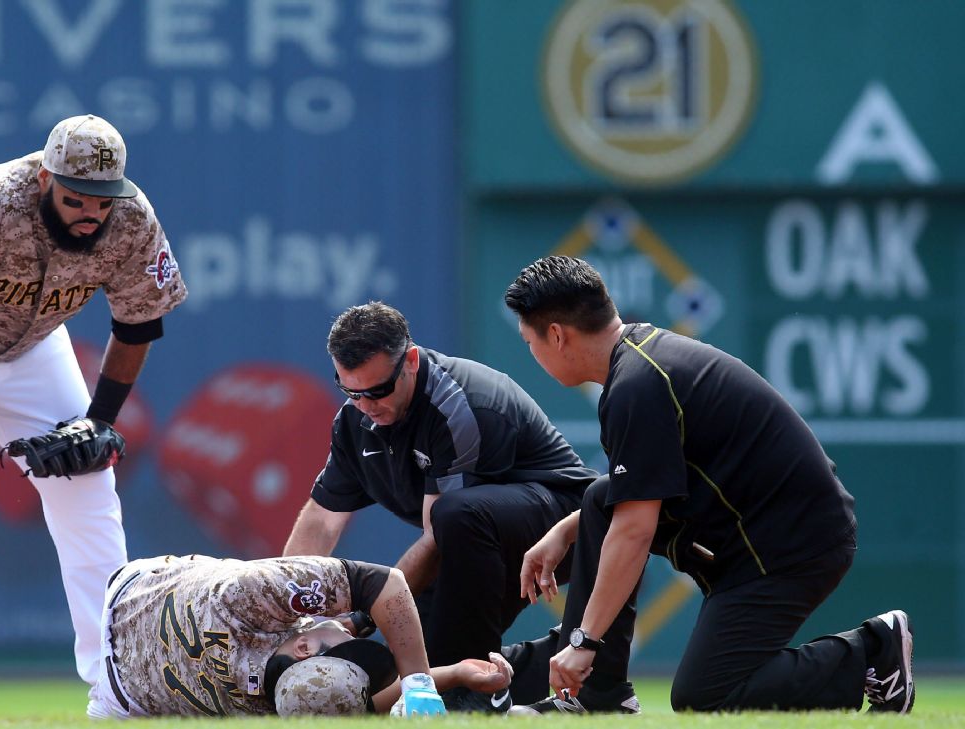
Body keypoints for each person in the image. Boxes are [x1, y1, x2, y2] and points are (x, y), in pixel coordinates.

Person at [502, 255, 914, 714]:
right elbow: (628, 503)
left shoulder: (637, 385)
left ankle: (873, 651)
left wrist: (585, 640)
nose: (532, 354)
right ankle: (600, 697)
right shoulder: (640, 362)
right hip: (764, 535)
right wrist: (563, 531)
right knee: (602, 499)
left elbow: (635, 530)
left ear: (556, 335)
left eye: (529, 341)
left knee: (706, 697)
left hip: (790, 547)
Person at [0, 114, 188, 709]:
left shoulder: (129, 218)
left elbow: (140, 321)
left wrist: (101, 421)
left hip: (34, 349)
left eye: (102, 200)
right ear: (45, 178)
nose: (91, 213)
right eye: (77, 198)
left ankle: (119, 684)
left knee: (90, 492)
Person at [282, 301, 603, 673]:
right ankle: (525, 665)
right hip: (475, 538)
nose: (366, 405)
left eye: (379, 390)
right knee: (411, 670)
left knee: (453, 525)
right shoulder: (354, 421)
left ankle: (472, 688)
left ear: (412, 361)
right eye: (351, 392)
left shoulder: (456, 407)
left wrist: (362, 616)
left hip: (569, 525)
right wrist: (284, 613)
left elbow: (437, 537)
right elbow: (321, 521)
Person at [90, 554, 513, 717]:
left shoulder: (245, 599)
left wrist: (427, 682)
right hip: (123, 699)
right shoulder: (275, 709)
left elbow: (386, 582)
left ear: (307, 647)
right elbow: (364, 705)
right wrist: (446, 676)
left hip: (126, 595)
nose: (350, 636)